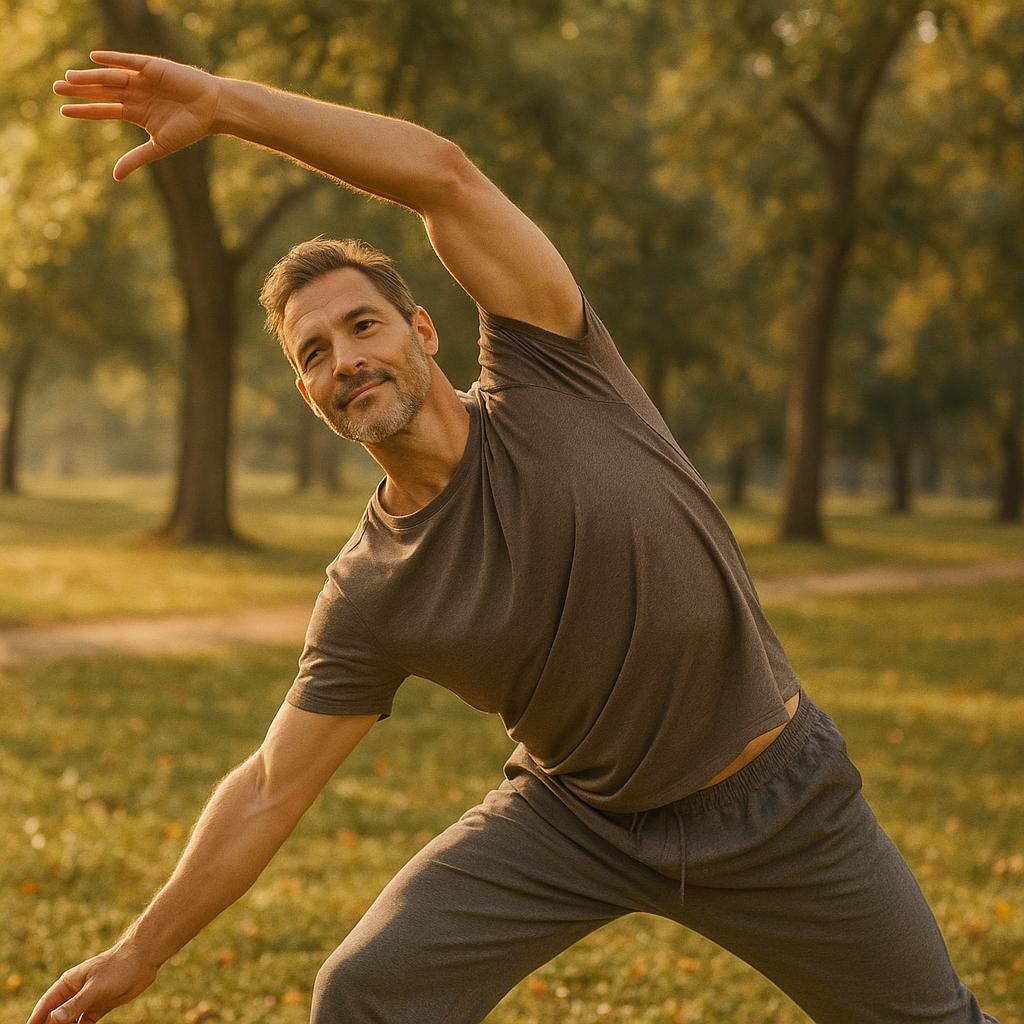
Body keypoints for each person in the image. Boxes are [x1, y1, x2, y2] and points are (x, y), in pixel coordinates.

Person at [31, 50, 999, 1024]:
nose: (347, 359)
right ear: (305, 395)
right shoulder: (374, 588)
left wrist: (228, 106)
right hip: (575, 821)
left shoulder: (551, 367)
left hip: (779, 801)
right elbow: (271, 787)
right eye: (315, 352)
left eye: (363, 325)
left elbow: (442, 174)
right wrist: (138, 951)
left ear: (423, 328)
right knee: (366, 994)